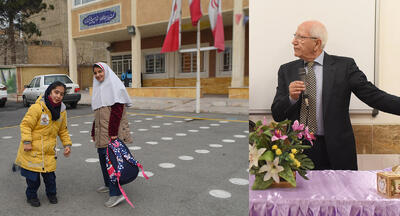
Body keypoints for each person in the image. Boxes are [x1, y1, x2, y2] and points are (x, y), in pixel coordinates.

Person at [271, 20, 400, 170]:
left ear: (317, 43)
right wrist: (290, 98)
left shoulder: (344, 67)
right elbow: (277, 114)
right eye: (295, 36)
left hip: (337, 151)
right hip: (298, 150)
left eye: (300, 37)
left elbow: (374, 96)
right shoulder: (287, 70)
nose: (294, 41)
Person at [15, 81, 72, 207]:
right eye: (56, 92)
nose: (58, 96)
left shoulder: (62, 111)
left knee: (50, 178)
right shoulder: (37, 108)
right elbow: (25, 125)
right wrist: (27, 142)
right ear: (49, 92)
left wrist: (67, 145)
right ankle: (31, 196)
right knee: (33, 180)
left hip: (48, 151)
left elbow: (63, 130)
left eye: (61, 94)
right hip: (32, 150)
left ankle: (51, 194)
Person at [90, 62, 133, 208]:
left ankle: (116, 194)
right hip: (101, 133)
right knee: (103, 159)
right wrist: (93, 131)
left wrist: (113, 133)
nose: (97, 75)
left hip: (111, 134)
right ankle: (108, 184)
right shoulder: (98, 89)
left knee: (112, 164)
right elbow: (98, 114)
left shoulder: (114, 86)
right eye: (95, 73)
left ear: (106, 72)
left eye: (100, 72)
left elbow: (117, 112)